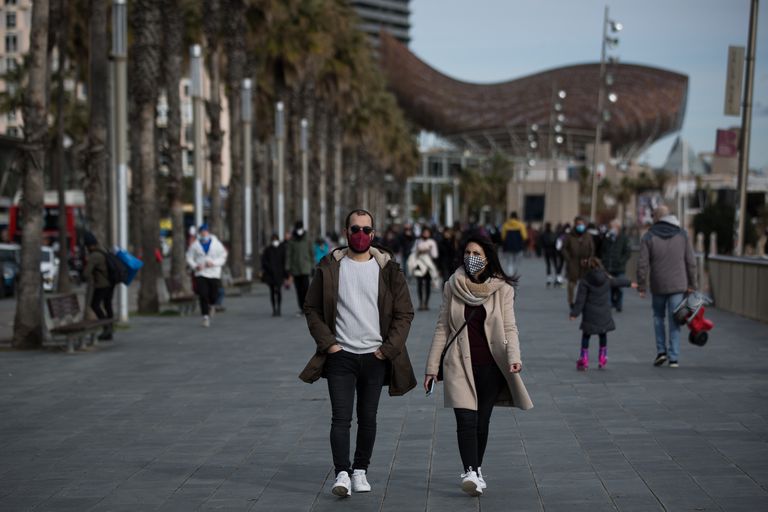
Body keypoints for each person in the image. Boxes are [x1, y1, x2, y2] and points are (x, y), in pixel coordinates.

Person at [300, 208, 417, 498]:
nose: (361, 235)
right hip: (341, 355)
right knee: (340, 418)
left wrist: (387, 350)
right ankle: (342, 473)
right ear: (346, 232)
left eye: (366, 230)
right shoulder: (330, 267)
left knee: (368, 418)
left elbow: (405, 313)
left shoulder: (389, 269)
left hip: (375, 357)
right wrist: (329, 344)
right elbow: (311, 307)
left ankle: (360, 470)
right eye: (355, 229)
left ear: (374, 234)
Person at [424, 236, 533, 497]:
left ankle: (477, 468)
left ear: (487, 257)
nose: (470, 257)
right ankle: (470, 471)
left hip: (490, 366)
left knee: (481, 422)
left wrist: (513, 357)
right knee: (465, 420)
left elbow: (509, 326)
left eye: (476, 252)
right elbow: (442, 327)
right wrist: (431, 367)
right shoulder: (452, 285)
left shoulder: (503, 289)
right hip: (458, 363)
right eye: (467, 252)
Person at [637, 205, 697, 368]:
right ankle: (674, 357)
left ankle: (661, 352)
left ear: (656, 217)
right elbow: (691, 262)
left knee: (658, 317)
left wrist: (641, 285)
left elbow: (642, 264)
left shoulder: (648, 236)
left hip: (658, 285)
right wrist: (693, 284)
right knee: (675, 319)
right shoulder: (683, 234)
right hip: (678, 285)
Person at [569, 257, 637, 370]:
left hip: (590, 314)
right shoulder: (606, 278)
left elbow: (580, 300)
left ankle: (584, 359)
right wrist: (630, 283)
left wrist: (574, 314)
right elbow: (618, 281)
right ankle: (602, 357)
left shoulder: (585, 281)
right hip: (604, 313)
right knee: (603, 334)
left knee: (586, 335)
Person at [186, 224, 228, 327]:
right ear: (200, 233)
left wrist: (214, 263)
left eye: (205, 232)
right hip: (201, 273)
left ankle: (212, 305)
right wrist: (195, 266)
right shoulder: (195, 245)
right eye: (202, 232)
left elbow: (223, 256)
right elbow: (189, 257)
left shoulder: (216, 244)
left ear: (208, 232)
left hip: (214, 273)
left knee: (214, 293)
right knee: (203, 294)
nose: (204, 234)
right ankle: (205, 317)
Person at [82, 232, 114, 340]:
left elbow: (86, 273)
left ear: (89, 245)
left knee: (94, 305)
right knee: (107, 305)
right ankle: (109, 330)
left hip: (101, 285)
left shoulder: (94, 256)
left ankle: (107, 327)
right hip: (110, 283)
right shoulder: (103, 251)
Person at [600, 219, 632, 312]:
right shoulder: (607, 237)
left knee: (619, 287)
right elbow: (603, 250)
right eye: (610, 227)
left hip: (619, 268)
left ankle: (618, 304)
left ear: (618, 227)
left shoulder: (624, 238)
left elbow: (627, 252)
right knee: (608, 286)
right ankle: (609, 304)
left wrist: (621, 261)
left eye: (613, 227)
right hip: (608, 267)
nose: (611, 228)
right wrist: (604, 260)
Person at [563, 216, 594, 307]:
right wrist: (568, 259)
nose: (580, 226)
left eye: (582, 224)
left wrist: (589, 259)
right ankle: (571, 301)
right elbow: (564, 248)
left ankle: (583, 300)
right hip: (573, 262)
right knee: (572, 282)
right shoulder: (570, 236)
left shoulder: (588, 236)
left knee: (585, 282)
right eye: (578, 224)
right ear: (575, 224)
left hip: (585, 262)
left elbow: (592, 248)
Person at [285, 222, 314, 316]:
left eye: (300, 228)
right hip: (295, 268)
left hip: (305, 267)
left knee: (306, 289)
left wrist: (313, 266)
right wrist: (287, 267)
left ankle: (307, 308)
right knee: (298, 290)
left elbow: (311, 253)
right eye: (298, 228)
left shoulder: (307, 239)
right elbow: (289, 255)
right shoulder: (292, 240)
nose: (299, 230)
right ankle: (301, 308)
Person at [409, 226, 439, 311]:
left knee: (428, 285)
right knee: (419, 284)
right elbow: (413, 252)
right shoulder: (418, 241)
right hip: (419, 264)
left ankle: (426, 303)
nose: (426, 234)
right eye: (424, 232)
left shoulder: (432, 242)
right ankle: (421, 302)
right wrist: (419, 251)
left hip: (428, 265)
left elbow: (435, 255)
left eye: (427, 233)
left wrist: (428, 250)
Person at [261, 234, 287, 316]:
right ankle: (274, 309)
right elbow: (264, 261)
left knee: (279, 291)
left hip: (279, 274)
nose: (275, 241)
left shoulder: (282, 249)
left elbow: (284, 261)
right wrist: (268, 268)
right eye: (273, 240)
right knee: (272, 292)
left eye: (276, 240)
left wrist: (286, 273)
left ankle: (279, 308)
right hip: (270, 274)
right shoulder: (268, 250)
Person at [539, 222, 559, 287]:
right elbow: (556, 242)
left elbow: (541, 244)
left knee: (548, 265)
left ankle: (549, 279)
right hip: (553, 251)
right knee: (555, 264)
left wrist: (542, 250)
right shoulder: (554, 234)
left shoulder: (543, 234)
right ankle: (557, 278)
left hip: (547, 251)